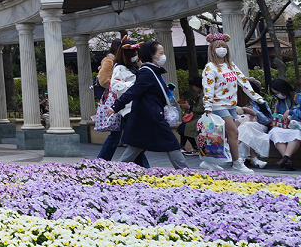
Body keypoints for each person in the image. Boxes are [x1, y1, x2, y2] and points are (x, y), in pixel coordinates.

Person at [110, 41, 189, 169]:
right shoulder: (147, 72)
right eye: (161, 53)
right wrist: (115, 106)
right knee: (172, 143)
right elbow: (133, 91)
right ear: (152, 55)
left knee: (136, 146)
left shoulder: (152, 71)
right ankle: (187, 173)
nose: (163, 56)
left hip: (147, 115)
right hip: (152, 116)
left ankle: (116, 171)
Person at [200, 33, 265, 174]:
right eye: (218, 47)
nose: (222, 49)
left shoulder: (231, 65)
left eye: (224, 46)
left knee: (219, 135)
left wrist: (257, 98)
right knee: (233, 132)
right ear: (212, 49)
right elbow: (208, 88)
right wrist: (208, 106)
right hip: (217, 105)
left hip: (230, 105)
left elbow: (244, 82)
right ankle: (237, 163)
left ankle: (209, 160)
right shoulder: (210, 68)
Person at [96, 39, 149, 167]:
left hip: (127, 103)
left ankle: (101, 162)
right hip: (119, 102)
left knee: (128, 135)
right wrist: (127, 89)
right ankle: (102, 162)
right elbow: (104, 81)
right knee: (121, 135)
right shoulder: (112, 62)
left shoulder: (133, 63)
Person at [267, 79, 301, 170]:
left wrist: (291, 112)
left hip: (296, 125)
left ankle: (285, 159)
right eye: (275, 93)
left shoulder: (298, 97)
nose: (278, 95)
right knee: (274, 132)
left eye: (278, 92)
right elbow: (276, 113)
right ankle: (287, 159)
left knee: (296, 134)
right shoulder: (278, 101)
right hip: (283, 125)